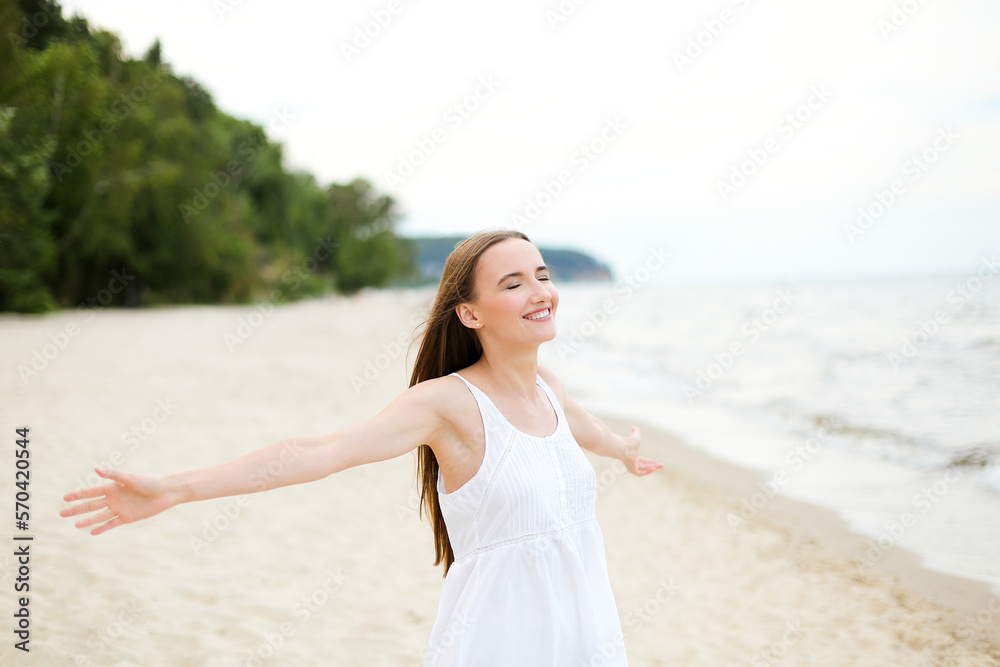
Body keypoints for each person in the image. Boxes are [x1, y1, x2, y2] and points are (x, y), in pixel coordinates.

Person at [61, 228, 664, 665]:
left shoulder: (550, 390)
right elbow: (320, 450)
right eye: (514, 283)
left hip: (587, 636)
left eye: (543, 275)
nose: (540, 291)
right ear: (471, 315)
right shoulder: (448, 404)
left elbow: (587, 430)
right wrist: (175, 488)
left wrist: (624, 450)